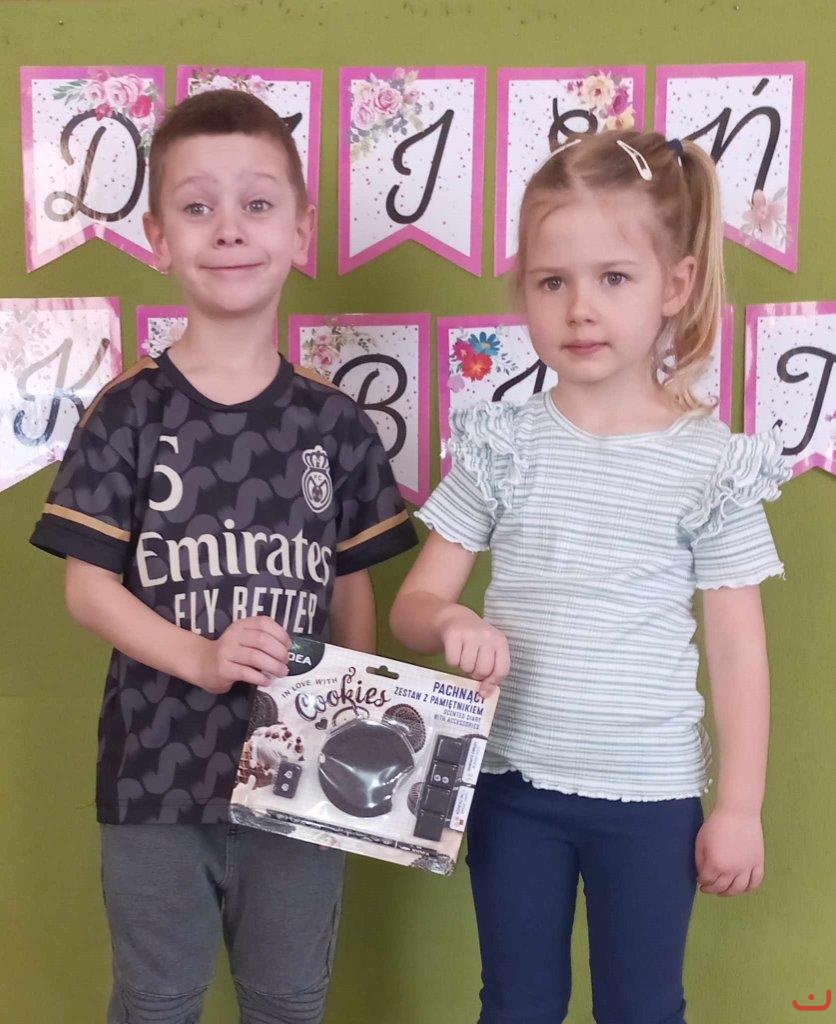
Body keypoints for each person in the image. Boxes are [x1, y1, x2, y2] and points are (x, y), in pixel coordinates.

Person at [30, 88, 417, 1024]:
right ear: (158, 238)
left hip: (301, 781)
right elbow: (89, 590)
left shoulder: (336, 423)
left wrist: (349, 727)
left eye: (257, 204)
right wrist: (201, 659)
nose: (230, 229)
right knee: (157, 1003)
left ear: (301, 230)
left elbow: (351, 596)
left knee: (288, 1000)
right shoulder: (128, 412)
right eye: (198, 207)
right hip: (154, 780)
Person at [390, 130, 791, 1024]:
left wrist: (740, 807)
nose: (580, 309)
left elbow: (738, 653)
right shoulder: (502, 445)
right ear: (523, 290)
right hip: (512, 787)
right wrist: (450, 622)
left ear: (675, 286)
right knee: (517, 1005)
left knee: (643, 1008)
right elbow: (415, 604)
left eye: (613, 278)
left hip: (651, 798)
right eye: (551, 282)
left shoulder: (712, 465)